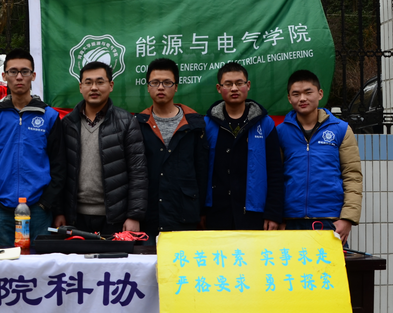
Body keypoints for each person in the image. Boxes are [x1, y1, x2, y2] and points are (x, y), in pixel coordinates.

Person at [0, 48, 65, 246]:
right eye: (13, 71)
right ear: (4, 76)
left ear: (33, 76)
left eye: (25, 72)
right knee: (4, 262)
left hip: (39, 209)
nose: (19, 77)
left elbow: (59, 164)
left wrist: (46, 203)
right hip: (2, 209)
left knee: (38, 262)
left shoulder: (49, 116)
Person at [53, 61, 147, 235]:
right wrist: (59, 211)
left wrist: (134, 215)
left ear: (111, 85)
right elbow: (59, 170)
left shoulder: (127, 122)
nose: (94, 87)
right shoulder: (67, 124)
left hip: (115, 218)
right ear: (80, 87)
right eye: (88, 82)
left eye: (100, 82)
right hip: (75, 217)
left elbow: (138, 172)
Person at [277, 69, 362, 244]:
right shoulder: (280, 132)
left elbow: (353, 176)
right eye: (296, 94)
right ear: (289, 98)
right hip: (290, 223)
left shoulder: (341, 129)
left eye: (308, 92)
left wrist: (347, 218)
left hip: (330, 222)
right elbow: (274, 178)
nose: (302, 98)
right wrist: (277, 218)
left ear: (320, 94)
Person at [203, 62, 284, 230]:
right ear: (219, 88)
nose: (234, 88)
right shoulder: (207, 124)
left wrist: (273, 213)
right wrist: (200, 211)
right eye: (228, 84)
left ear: (248, 85)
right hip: (216, 213)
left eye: (239, 83)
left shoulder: (265, 124)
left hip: (254, 215)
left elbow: (275, 171)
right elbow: (200, 170)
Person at [135, 58, 208, 241]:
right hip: (148, 217)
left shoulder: (195, 124)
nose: (161, 87)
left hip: (184, 216)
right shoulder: (138, 124)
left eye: (167, 82)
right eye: (155, 82)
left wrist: (202, 210)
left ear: (176, 87)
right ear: (148, 87)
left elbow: (202, 171)